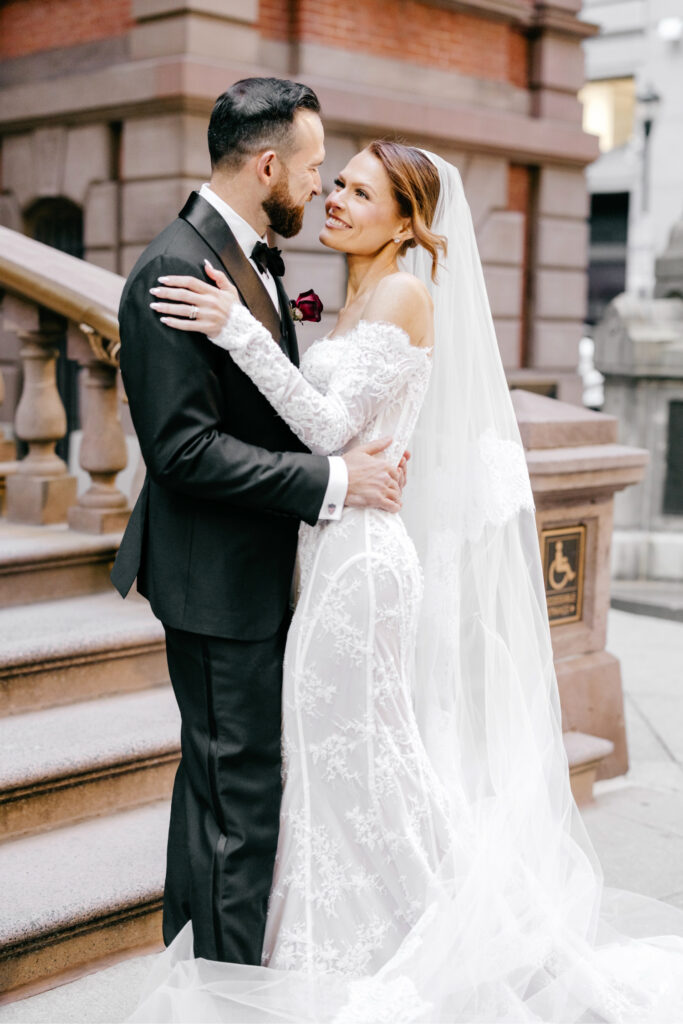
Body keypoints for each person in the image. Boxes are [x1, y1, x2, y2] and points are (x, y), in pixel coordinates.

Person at [137, 139, 683, 1023]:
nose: (336, 199)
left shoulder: (404, 292)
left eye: (358, 190)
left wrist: (235, 327)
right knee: (343, 761)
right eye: (337, 183)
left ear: (408, 219)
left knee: (362, 760)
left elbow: (321, 426)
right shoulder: (358, 298)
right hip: (333, 553)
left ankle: (425, 934)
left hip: (360, 564)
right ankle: (348, 931)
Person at [111, 77, 407, 969]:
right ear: (269, 163)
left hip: (255, 570)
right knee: (240, 802)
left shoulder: (247, 257)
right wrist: (333, 481)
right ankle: (231, 993)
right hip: (215, 585)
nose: (319, 189)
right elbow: (184, 453)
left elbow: (268, 403)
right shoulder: (175, 265)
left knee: (223, 794)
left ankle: (198, 974)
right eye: (315, 170)